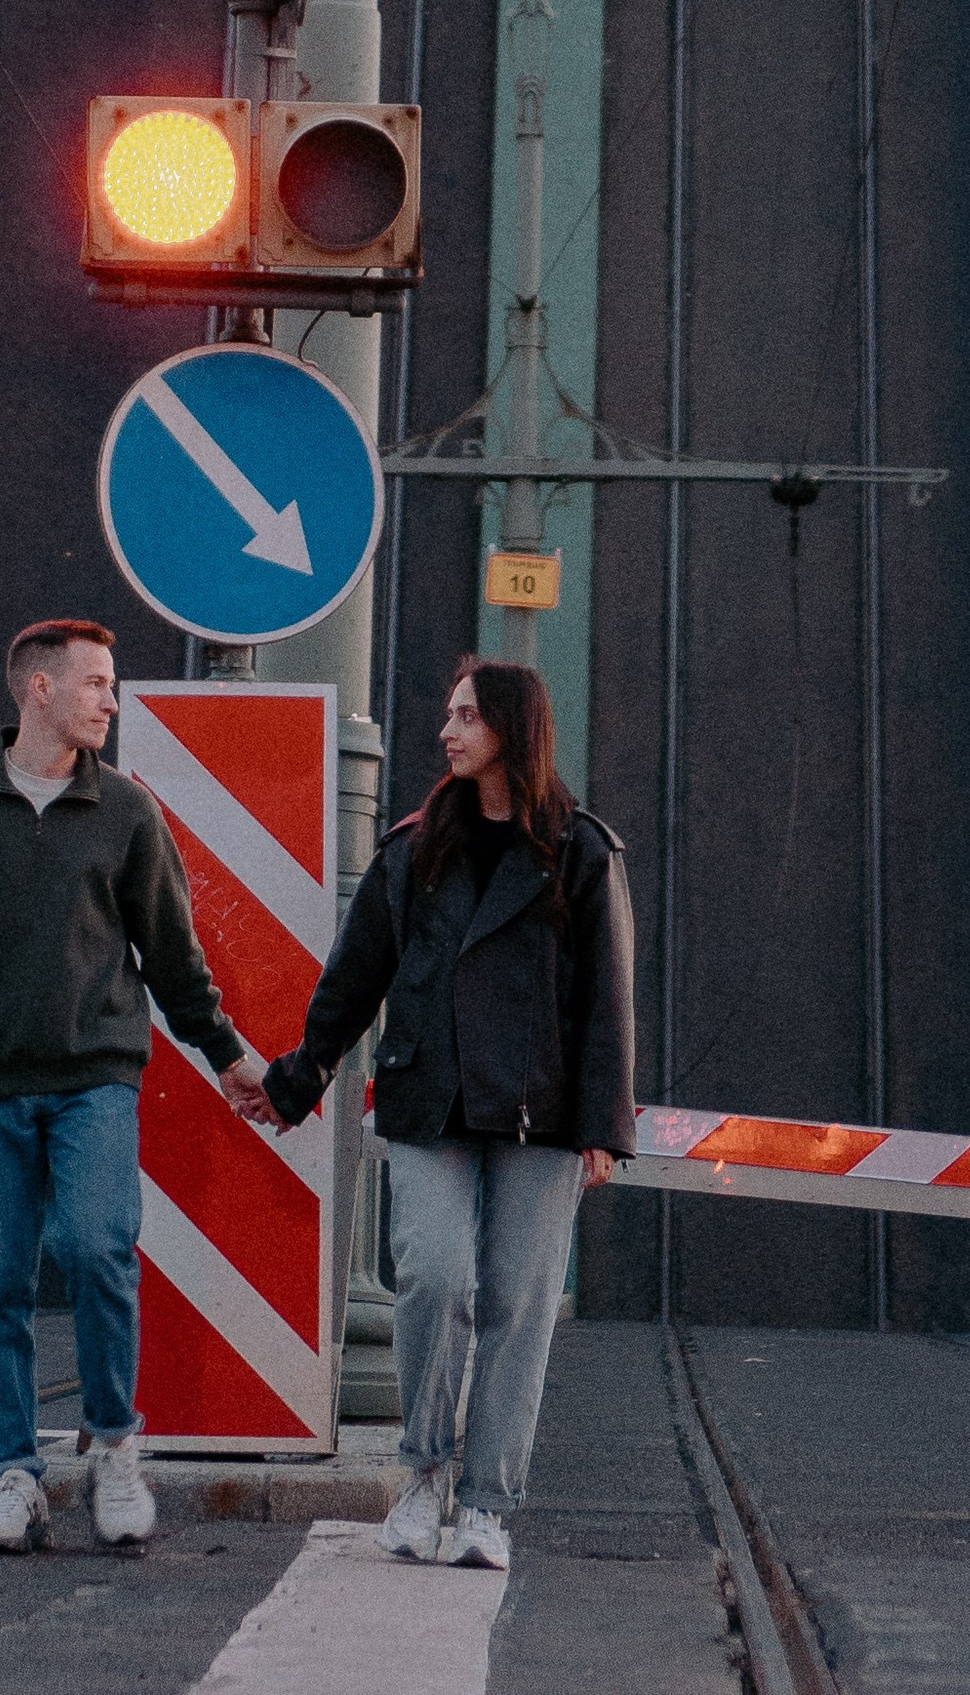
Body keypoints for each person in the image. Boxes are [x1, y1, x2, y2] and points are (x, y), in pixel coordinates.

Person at [0, 618, 267, 1554]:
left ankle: (114, 1447)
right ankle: (15, 1478)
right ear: (39, 690)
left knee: (96, 1248)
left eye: (110, 685)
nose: (112, 701)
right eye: (97, 684)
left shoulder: (127, 812)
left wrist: (227, 1052)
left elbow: (174, 956)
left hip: (94, 1081)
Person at [251, 656, 636, 1575]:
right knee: (434, 1278)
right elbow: (354, 979)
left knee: (517, 1302)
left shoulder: (581, 852)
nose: (446, 731)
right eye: (449, 713)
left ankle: (489, 1505)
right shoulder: (415, 849)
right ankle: (423, 1475)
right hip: (431, 1099)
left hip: (538, 1112)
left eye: (465, 716)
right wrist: (296, 1080)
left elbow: (606, 1000)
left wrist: (601, 1126)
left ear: (511, 728)